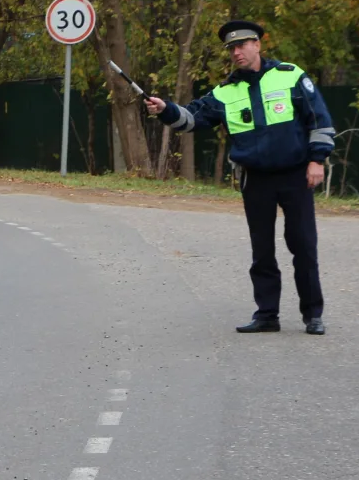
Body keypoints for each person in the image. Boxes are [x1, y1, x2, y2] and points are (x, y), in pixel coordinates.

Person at [143, 20, 335, 335]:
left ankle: (312, 315)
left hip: (295, 175)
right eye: (231, 48)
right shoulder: (224, 92)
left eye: (242, 45)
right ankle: (267, 315)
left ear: (257, 44)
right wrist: (166, 109)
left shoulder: (290, 76)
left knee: (303, 245)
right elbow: (192, 120)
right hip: (255, 179)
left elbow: (320, 119)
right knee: (262, 251)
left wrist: (317, 160)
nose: (236, 52)